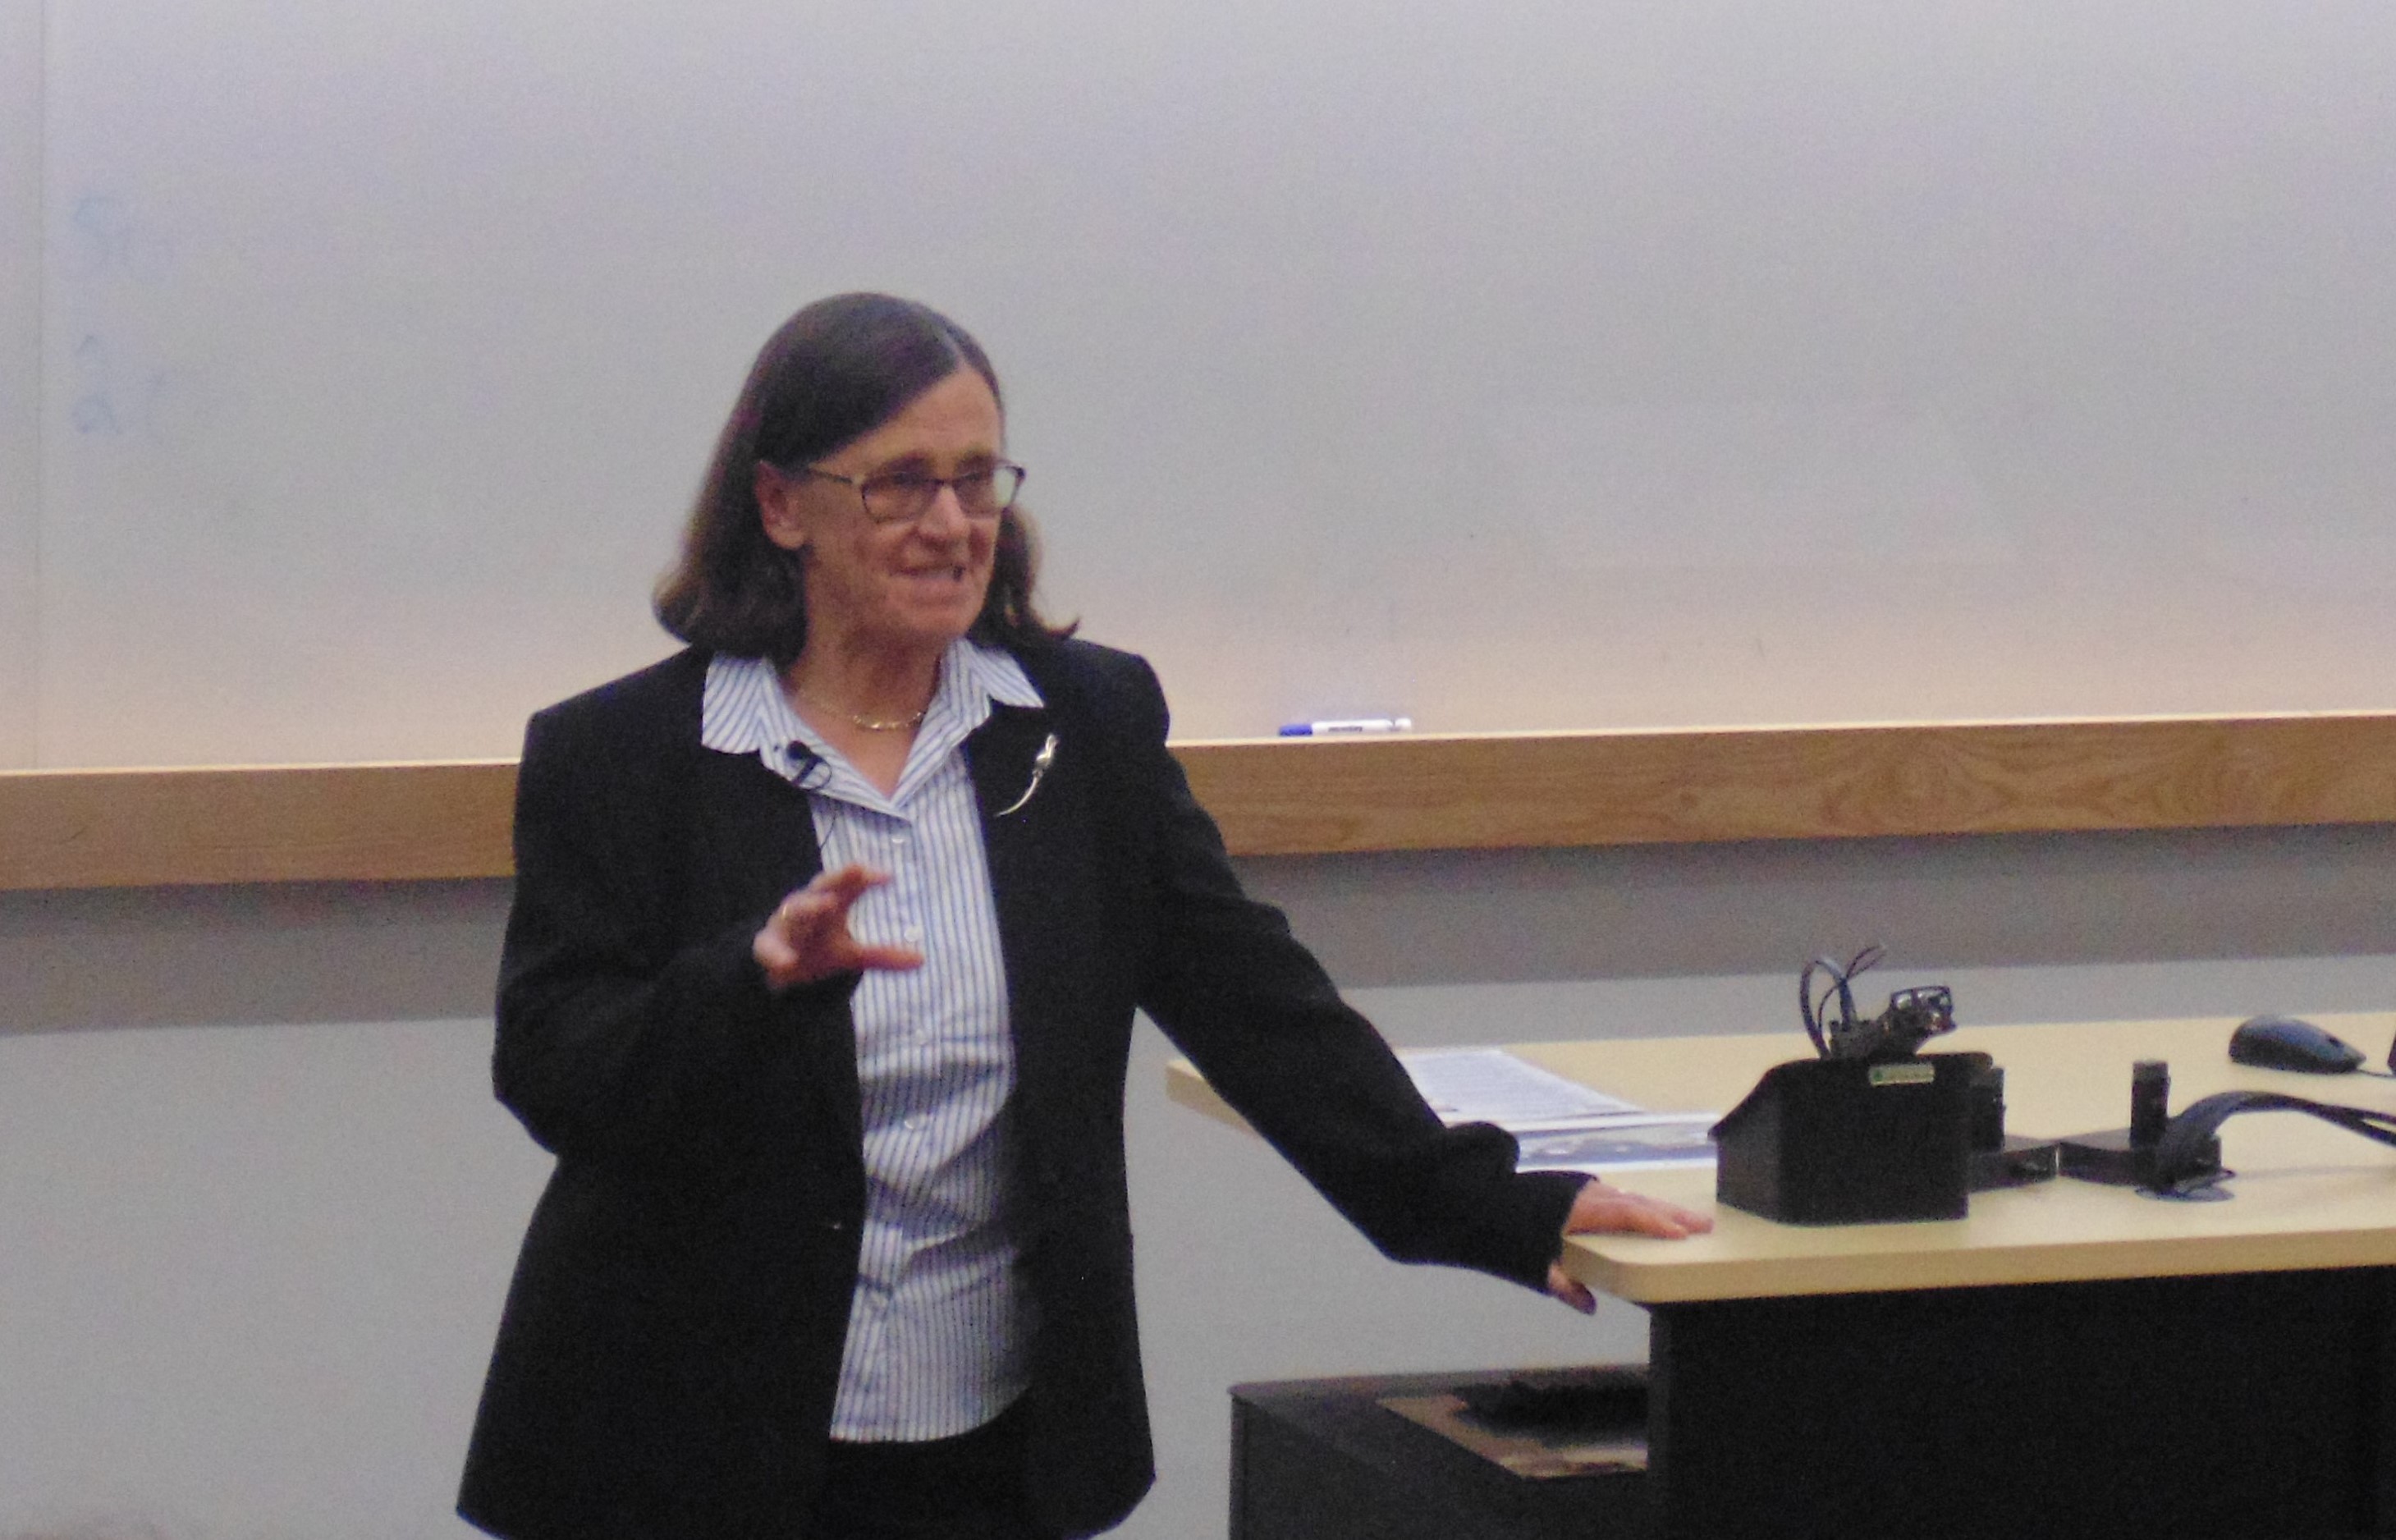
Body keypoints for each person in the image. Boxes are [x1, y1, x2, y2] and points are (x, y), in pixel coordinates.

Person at [456, 292, 1711, 1540]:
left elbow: (1259, 1008)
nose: (951, 525)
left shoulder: (1081, 730)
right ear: (782, 507)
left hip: (993, 1444)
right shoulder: (623, 757)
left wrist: (1492, 1202)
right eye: (899, 485)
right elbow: (555, 1072)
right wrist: (748, 980)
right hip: (683, 1451)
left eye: (975, 480)